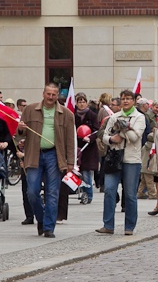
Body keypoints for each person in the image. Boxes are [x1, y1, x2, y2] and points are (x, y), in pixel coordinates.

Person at [19, 84, 76, 238]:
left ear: (58, 96)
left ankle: (48, 227)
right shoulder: (30, 110)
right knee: (32, 192)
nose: (51, 97)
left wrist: (70, 162)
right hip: (34, 155)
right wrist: (20, 128)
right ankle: (41, 219)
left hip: (54, 156)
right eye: (48, 94)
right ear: (43, 93)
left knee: (52, 193)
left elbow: (70, 141)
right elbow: (19, 136)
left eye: (54, 94)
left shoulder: (66, 114)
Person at [97, 90, 145, 236]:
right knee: (109, 190)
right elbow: (104, 135)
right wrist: (112, 139)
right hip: (114, 157)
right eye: (123, 99)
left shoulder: (139, 117)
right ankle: (108, 224)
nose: (125, 101)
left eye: (128, 99)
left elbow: (135, 138)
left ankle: (129, 226)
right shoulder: (114, 117)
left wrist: (123, 129)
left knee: (130, 194)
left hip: (131, 160)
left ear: (134, 101)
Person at [74, 93, 99, 204]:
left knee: (86, 171)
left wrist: (90, 137)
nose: (81, 104)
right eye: (79, 102)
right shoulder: (73, 115)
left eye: (83, 101)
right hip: (77, 146)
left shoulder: (92, 115)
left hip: (88, 147)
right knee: (77, 170)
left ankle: (88, 194)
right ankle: (78, 190)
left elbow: (97, 130)